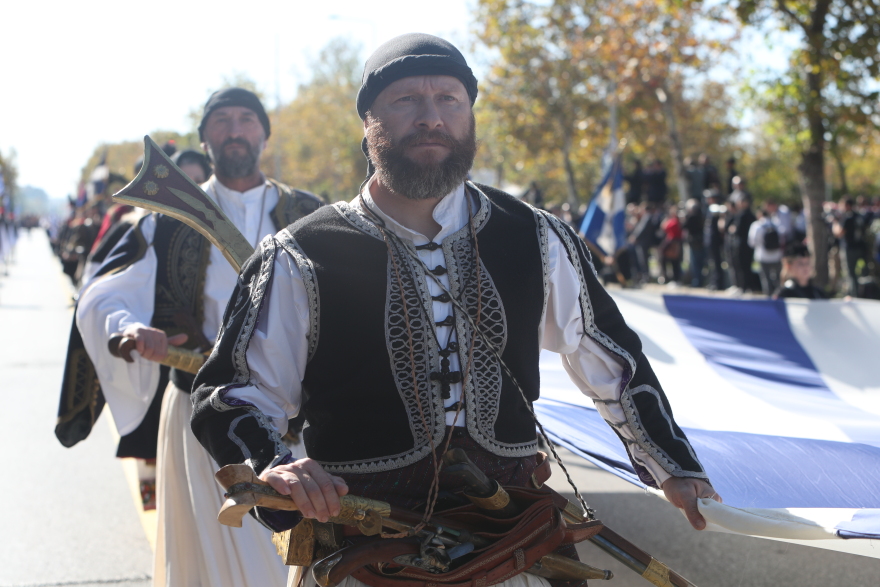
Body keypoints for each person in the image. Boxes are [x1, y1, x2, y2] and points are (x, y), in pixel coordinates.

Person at [190, 34, 720, 587]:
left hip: (515, 546)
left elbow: (613, 360)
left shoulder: (536, 237)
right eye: (406, 102)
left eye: (449, 100)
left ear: (469, 117)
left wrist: (671, 465)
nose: (431, 118)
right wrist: (276, 468)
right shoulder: (300, 255)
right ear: (368, 125)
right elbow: (231, 396)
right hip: (370, 553)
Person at [66, 88, 323, 586]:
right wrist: (128, 329)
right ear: (204, 139)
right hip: (203, 417)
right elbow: (101, 295)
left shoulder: (311, 216)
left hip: (301, 422)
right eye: (221, 121)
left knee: (301, 561)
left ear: (264, 135)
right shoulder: (169, 218)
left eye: (246, 119)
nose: (234, 130)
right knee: (220, 567)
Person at [832, 198, 868, 296]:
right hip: (860, 248)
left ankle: (854, 294)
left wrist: (835, 223)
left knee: (851, 274)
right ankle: (859, 293)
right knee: (859, 273)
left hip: (850, 248)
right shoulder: (859, 215)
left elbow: (839, 232)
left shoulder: (847, 217)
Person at [748, 208, 784, 296]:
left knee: (766, 279)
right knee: (777, 279)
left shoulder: (757, 225)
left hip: (762, 256)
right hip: (777, 255)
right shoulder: (776, 224)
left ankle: (769, 297)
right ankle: (778, 296)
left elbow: (751, 242)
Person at [683, 198, 705, 287]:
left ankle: (697, 282)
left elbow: (685, 226)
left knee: (696, 263)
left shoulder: (692, 217)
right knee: (699, 263)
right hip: (700, 242)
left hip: (695, 242)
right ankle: (698, 281)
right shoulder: (702, 215)